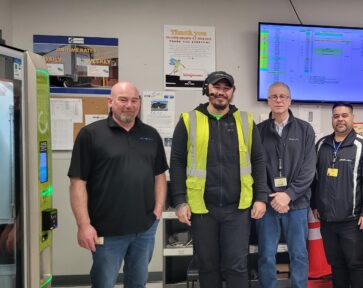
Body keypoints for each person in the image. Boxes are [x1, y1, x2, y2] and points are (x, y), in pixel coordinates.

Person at [170, 71, 268, 288]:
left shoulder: (245, 120)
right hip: (203, 209)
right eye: (216, 87)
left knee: (237, 266)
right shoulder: (189, 120)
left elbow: (258, 160)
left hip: (238, 209)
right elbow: (177, 162)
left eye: (226, 88)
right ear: (207, 89)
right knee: (207, 265)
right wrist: (179, 201)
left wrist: (261, 196)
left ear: (232, 92)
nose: (221, 93)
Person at [68, 81, 168, 287]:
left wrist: (158, 209)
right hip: (106, 230)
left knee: (138, 282)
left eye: (134, 100)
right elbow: (78, 183)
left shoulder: (151, 134)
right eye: (123, 100)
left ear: (139, 103)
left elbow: (159, 176)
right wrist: (83, 225)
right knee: (104, 283)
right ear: (110, 102)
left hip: (145, 228)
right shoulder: (91, 135)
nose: (129, 105)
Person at [312, 103, 363, 288]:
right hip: (327, 220)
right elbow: (314, 178)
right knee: (336, 264)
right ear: (332, 119)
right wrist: (315, 205)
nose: (340, 119)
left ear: (352, 118)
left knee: (356, 264)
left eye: (345, 115)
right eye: (336, 116)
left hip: (353, 220)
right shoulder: (321, 145)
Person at [256, 82, 316, 288]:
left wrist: (288, 195)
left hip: (296, 205)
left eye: (283, 96)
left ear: (290, 100)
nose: (279, 100)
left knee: (299, 254)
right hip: (268, 204)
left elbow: (308, 170)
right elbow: (255, 169)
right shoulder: (258, 131)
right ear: (268, 101)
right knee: (266, 255)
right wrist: (268, 196)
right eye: (274, 96)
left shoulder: (305, 130)